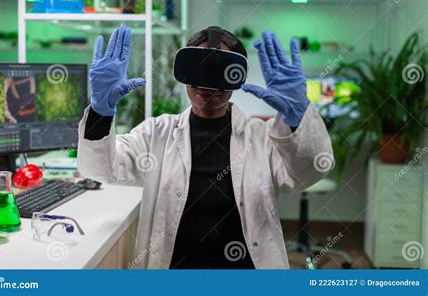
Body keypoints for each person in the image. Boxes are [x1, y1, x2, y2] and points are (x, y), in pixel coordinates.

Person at [78, 24, 334, 269]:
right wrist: (101, 111)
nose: (208, 83)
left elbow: (311, 169)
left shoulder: (261, 139)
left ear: (237, 77)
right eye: (199, 67)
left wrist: (297, 114)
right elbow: (102, 169)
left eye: (221, 70)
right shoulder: (156, 134)